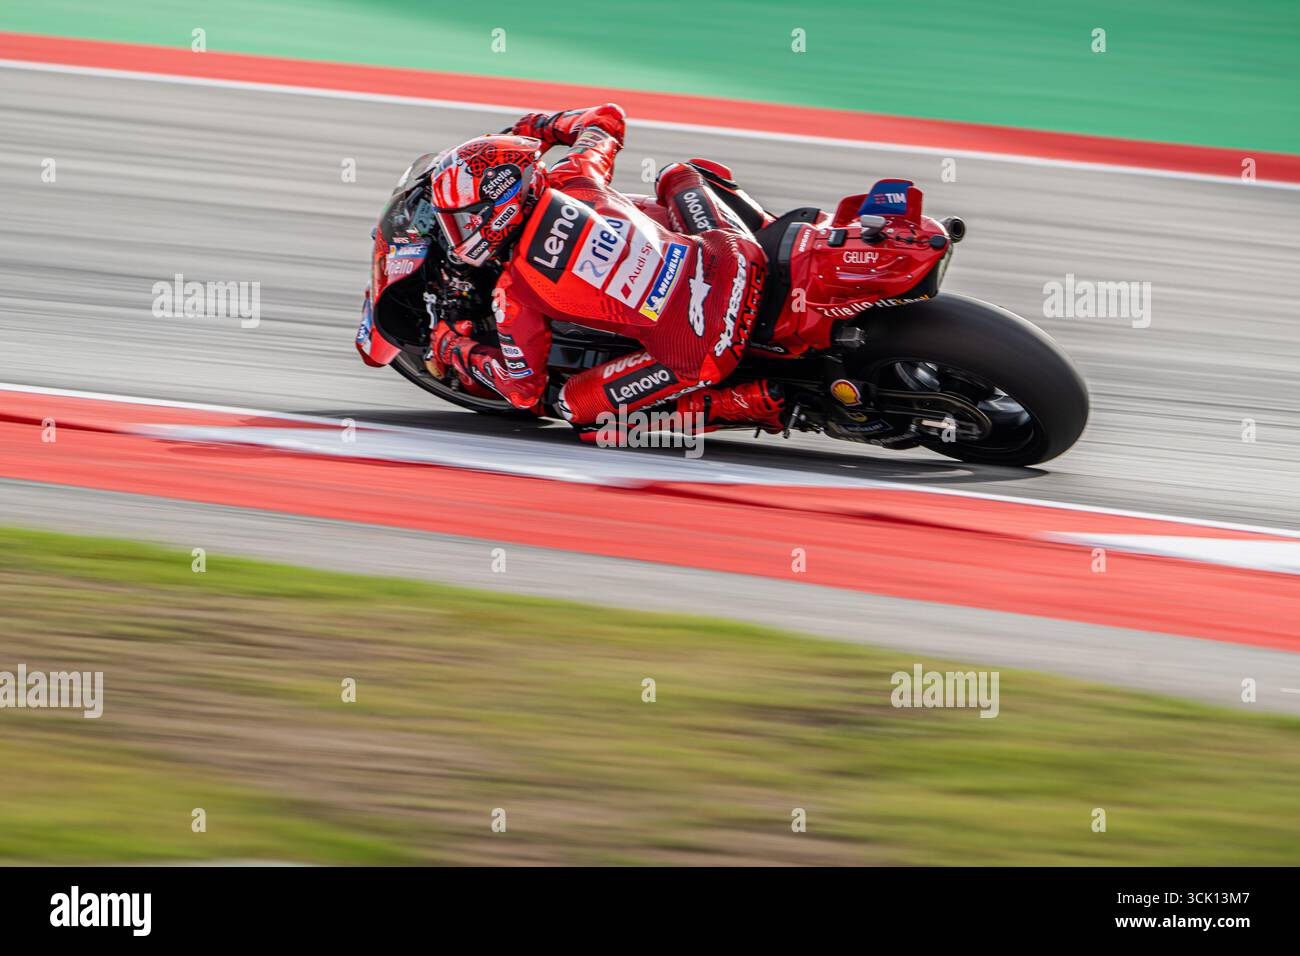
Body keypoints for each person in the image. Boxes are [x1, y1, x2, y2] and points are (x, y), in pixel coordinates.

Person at [423, 104, 786, 438]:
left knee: (576, 410)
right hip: (735, 254)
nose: (463, 231)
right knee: (679, 174)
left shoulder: (513, 291)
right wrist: (540, 128)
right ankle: (778, 241)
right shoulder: (575, 173)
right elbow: (606, 118)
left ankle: (736, 403)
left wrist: (454, 347)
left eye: (466, 218)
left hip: (707, 348)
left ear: (499, 206)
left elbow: (522, 392)